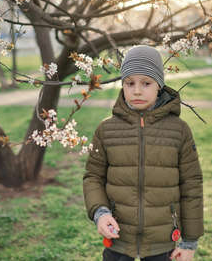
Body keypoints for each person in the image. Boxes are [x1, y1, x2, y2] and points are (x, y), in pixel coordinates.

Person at [83, 45, 203, 261]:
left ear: (159, 85)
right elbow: (93, 177)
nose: (137, 90)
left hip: (162, 242)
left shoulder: (179, 130)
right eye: (130, 83)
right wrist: (100, 213)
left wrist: (189, 241)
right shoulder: (106, 130)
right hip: (118, 239)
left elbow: (191, 185)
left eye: (146, 83)